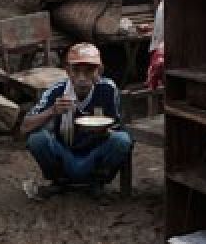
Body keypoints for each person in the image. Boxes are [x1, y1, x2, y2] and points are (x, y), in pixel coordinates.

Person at [22, 42, 133, 196]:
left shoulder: (108, 89)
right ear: (68, 71)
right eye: (76, 70)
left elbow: (117, 126)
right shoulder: (57, 91)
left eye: (89, 71)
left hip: (94, 152)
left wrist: (105, 131)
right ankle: (59, 180)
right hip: (64, 153)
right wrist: (52, 111)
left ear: (99, 71)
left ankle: (97, 182)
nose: (82, 78)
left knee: (122, 140)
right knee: (37, 139)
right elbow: (25, 127)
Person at [148, 0, 189, 90]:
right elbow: (156, 0)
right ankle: (159, 78)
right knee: (163, 49)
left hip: (177, 13)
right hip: (166, 13)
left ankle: (170, 80)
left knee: (172, 48)